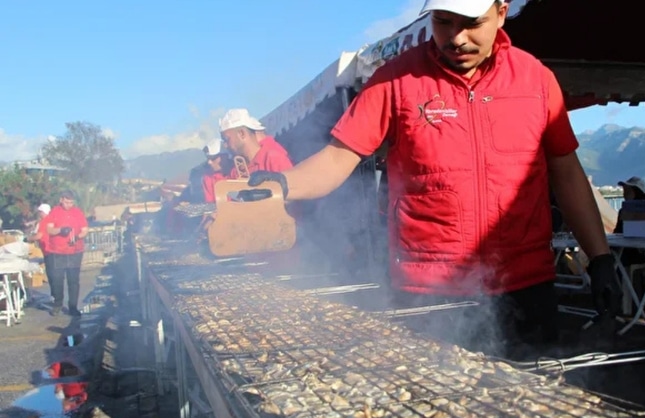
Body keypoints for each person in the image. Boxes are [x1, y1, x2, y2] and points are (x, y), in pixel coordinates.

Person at [247, 0, 621, 355]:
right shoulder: (394, 80)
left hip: (525, 286)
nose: (457, 38)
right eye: (443, 21)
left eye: (472, 23)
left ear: (501, 13)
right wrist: (283, 185)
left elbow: (567, 173)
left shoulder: (536, 80)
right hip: (429, 291)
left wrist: (600, 258)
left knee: (532, 407)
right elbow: (337, 158)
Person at [46, 191, 89, 317]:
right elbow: (49, 229)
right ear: (61, 200)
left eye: (71, 202)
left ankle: (73, 307)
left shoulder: (78, 212)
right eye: (66, 202)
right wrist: (60, 230)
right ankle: (58, 304)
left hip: (75, 251)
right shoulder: (54, 212)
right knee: (57, 280)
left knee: (73, 281)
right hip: (58, 251)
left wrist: (77, 237)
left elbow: (85, 230)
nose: (69, 205)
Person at [218, 108, 294, 177]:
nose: (225, 145)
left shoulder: (273, 158)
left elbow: (293, 189)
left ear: (242, 134)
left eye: (227, 139)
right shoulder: (236, 171)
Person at [29, 203, 55, 293]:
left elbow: (39, 236)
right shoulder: (52, 219)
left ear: (43, 212)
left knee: (51, 273)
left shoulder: (44, 222)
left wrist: (28, 239)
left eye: (40, 212)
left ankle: (55, 297)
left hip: (48, 249)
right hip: (53, 249)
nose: (39, 214)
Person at [200, 138, 232, 203]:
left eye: (212, 158)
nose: (209, 162)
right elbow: (210, 204)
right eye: (208, 158)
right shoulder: (208, 178)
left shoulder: (239, 171)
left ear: (225, 156)